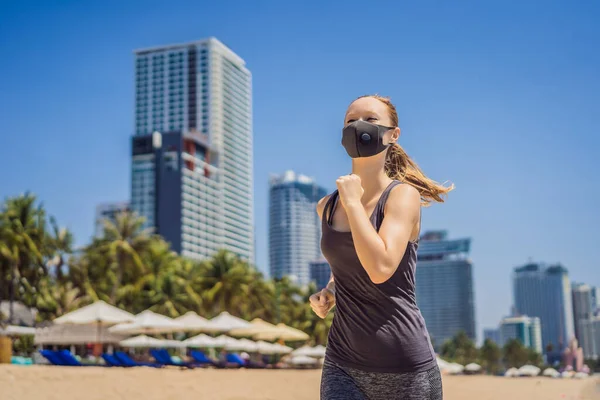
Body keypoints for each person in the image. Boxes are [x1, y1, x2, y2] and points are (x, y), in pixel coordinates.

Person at [310, 95, 452, 400]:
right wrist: (331, 291)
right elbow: (349, 264)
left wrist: (352, 202)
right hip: (342, 363)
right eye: (350, 120)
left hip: (405, 368)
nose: (358, 125)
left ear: (393, 134)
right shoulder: (326, 206)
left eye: (370, 119)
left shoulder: (402, 197)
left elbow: (381, 267)